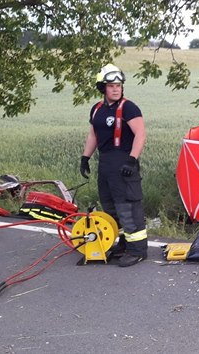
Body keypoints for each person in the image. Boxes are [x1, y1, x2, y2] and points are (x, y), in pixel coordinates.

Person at [79, 64, 148, 267]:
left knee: (127, 206)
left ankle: (138, 250)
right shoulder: (97, 109)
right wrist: (85, 158)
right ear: (103, 88)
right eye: (111, 86)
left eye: (118, 85)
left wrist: (132, 159)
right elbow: (93, 134)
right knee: (110, 207)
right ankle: (124, 244)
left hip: (124, 162)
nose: (116, 89)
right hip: (105, 162)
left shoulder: (129, 108)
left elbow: (140, 134)